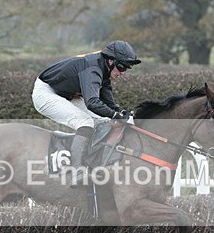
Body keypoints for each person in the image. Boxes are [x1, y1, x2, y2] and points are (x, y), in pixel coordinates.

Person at [32, 40, 141, 183]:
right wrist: (116, 115)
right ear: (110, 61)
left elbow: (108, 103)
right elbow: (92, 103)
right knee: (85, 122)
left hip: (66, 93)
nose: (123, 73)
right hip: (46, 92)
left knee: (103, 121)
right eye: (121, 67)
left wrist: (122, 112)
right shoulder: (93, 69)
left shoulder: (104, 68)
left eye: (126, 68)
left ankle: (91, 161)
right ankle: (76, 171)